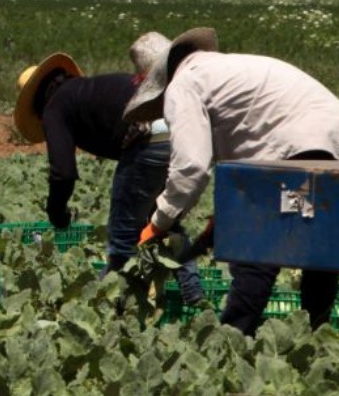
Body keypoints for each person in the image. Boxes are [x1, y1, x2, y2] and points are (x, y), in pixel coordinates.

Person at [126, 27, 339, 335]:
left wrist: (160, 221)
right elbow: (248, 139)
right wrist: (224, 214)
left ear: (160, 81)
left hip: (293, 148)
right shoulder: (225, 70)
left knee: (254, 250)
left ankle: (233, 339)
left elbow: (191, 167)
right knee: (318, 245)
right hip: (328, 144)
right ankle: (316, 337)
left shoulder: (184, 85)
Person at [13, 44, 202, 303]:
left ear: (35, 101)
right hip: (179, 133)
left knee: (123, 236)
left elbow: (63, 172)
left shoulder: (55, 107)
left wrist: (56, 212)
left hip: (145, 142)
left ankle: (111, 305)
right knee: (165, 220)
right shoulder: (90, 89)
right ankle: (193, 294)